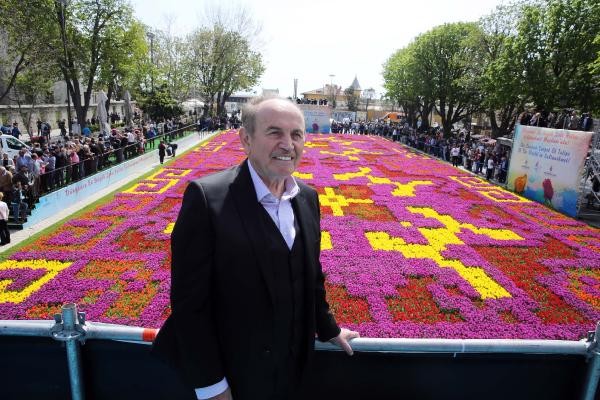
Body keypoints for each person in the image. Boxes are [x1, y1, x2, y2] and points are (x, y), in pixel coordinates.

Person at [152, 96, 359, 400]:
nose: (288, 144)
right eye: (275, 132)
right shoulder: (207, 198)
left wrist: (329, 329)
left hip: (294, 373)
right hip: (234, 378)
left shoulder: (307, 198)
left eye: (296, 134)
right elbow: (189, 304)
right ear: (246, 139)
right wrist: (212, 386)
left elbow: (311, 278)